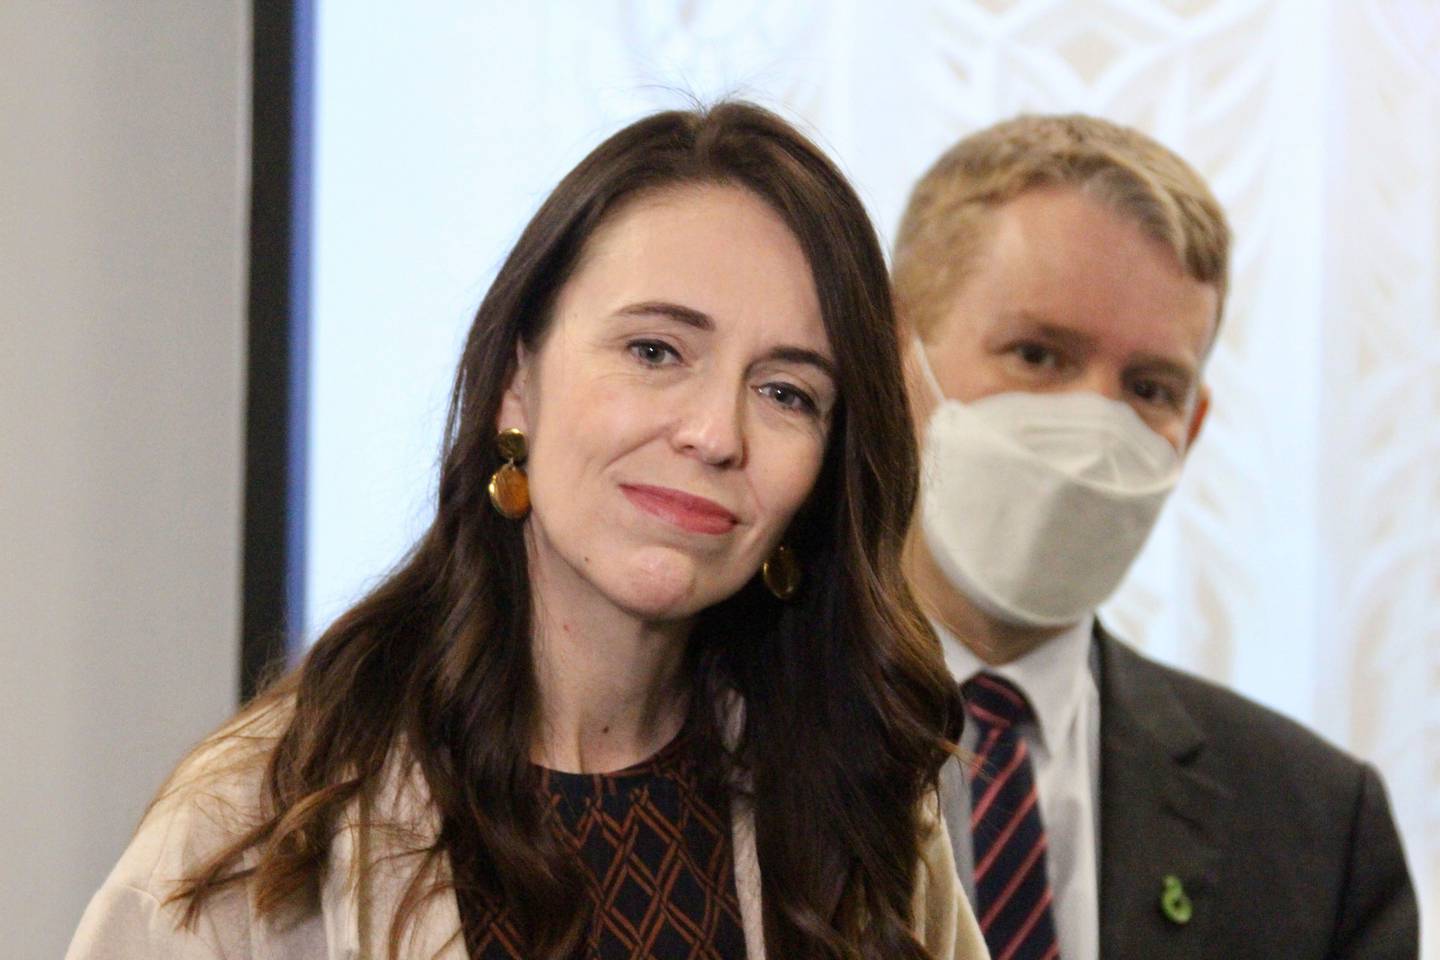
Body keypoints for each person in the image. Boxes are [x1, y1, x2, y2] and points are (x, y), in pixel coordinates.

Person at [66, 103, 987, 960]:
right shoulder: (257, 821)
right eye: (654, 350)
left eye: (787, 392)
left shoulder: (864, 807)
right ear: (517, 381)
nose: (715, 433)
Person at [893, 114, 1418, 960]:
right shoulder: (704, 738)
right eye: (1037, 354)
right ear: (894, 357)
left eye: (1150, 386)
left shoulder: (1317, 826)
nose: (1098, 422)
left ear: (1193, 424)